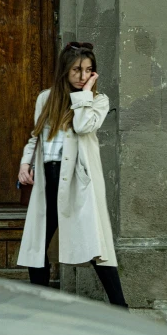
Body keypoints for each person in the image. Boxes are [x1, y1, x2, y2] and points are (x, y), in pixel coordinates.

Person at [16, 42, 128, 308]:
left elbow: (82, 125)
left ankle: (120, 307)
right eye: (77, 70)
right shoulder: (46, 98)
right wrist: (25, 164)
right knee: (38, 244)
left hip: (79, 182)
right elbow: (36, 135)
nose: (83, 76)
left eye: (89, 71)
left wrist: (85, 95)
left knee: (96, 243)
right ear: (65, 70)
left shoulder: (97, 101)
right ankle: (39, 305)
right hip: (48, 177)